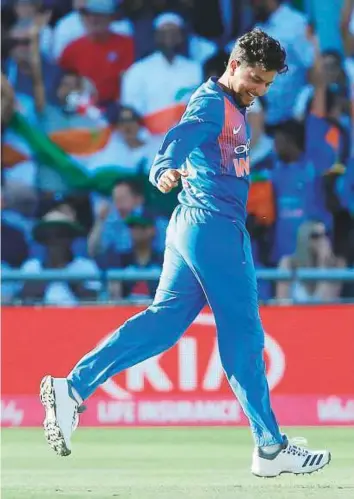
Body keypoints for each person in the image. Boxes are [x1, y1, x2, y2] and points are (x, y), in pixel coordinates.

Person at [40, 28, 331, 477]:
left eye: (268, 84)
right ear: (233, 66)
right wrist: (163, 166)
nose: (260, 89)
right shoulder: (213, 101)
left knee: (164, 324)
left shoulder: (232, 105)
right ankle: (270, 446)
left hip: (192, 227)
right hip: (213, 228)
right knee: (245, 336)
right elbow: (182, 133)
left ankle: (72, 389)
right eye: (255, 78)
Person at [276, 220, 346, 302]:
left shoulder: (337, 264)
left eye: (326, 234)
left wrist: (323, 264)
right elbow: (282, 301)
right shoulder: (288, 263)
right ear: (304, 238)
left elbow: (327, 301)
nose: (322, 240)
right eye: (316, 236)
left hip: (323, 314)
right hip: (294, 314)